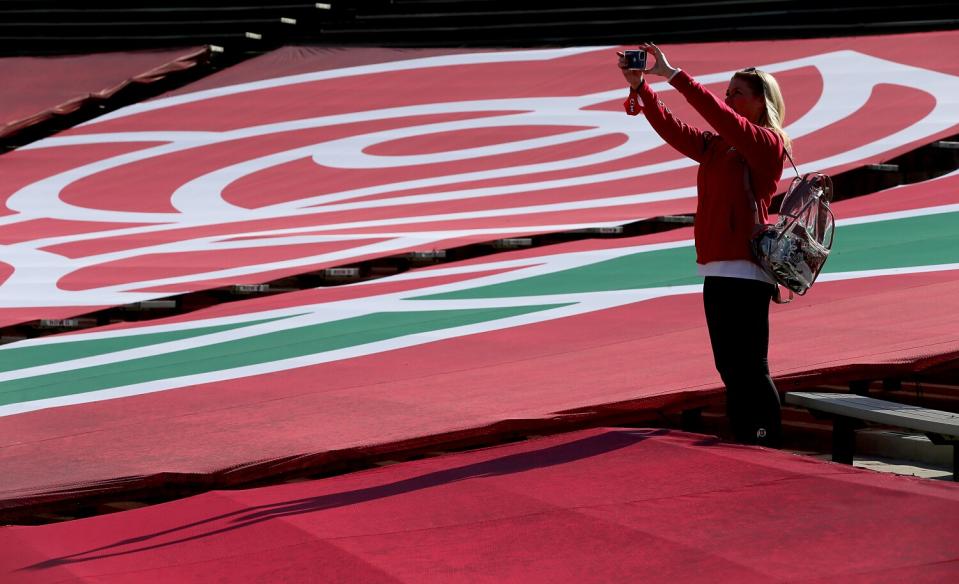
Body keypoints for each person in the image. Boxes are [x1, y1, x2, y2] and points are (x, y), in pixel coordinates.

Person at [617, 43, 790, 447]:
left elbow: (717, 115)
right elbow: (674, 129)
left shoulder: (766, 144)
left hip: (748, 271)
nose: (728, 98)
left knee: (750, 365)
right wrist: (642, 87)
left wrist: (674, 75)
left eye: (737, 93)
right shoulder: (718, 146)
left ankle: (766, 438)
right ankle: (745, 437)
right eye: (727, 91)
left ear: (761, 102)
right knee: (729, 366)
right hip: (716, 267)